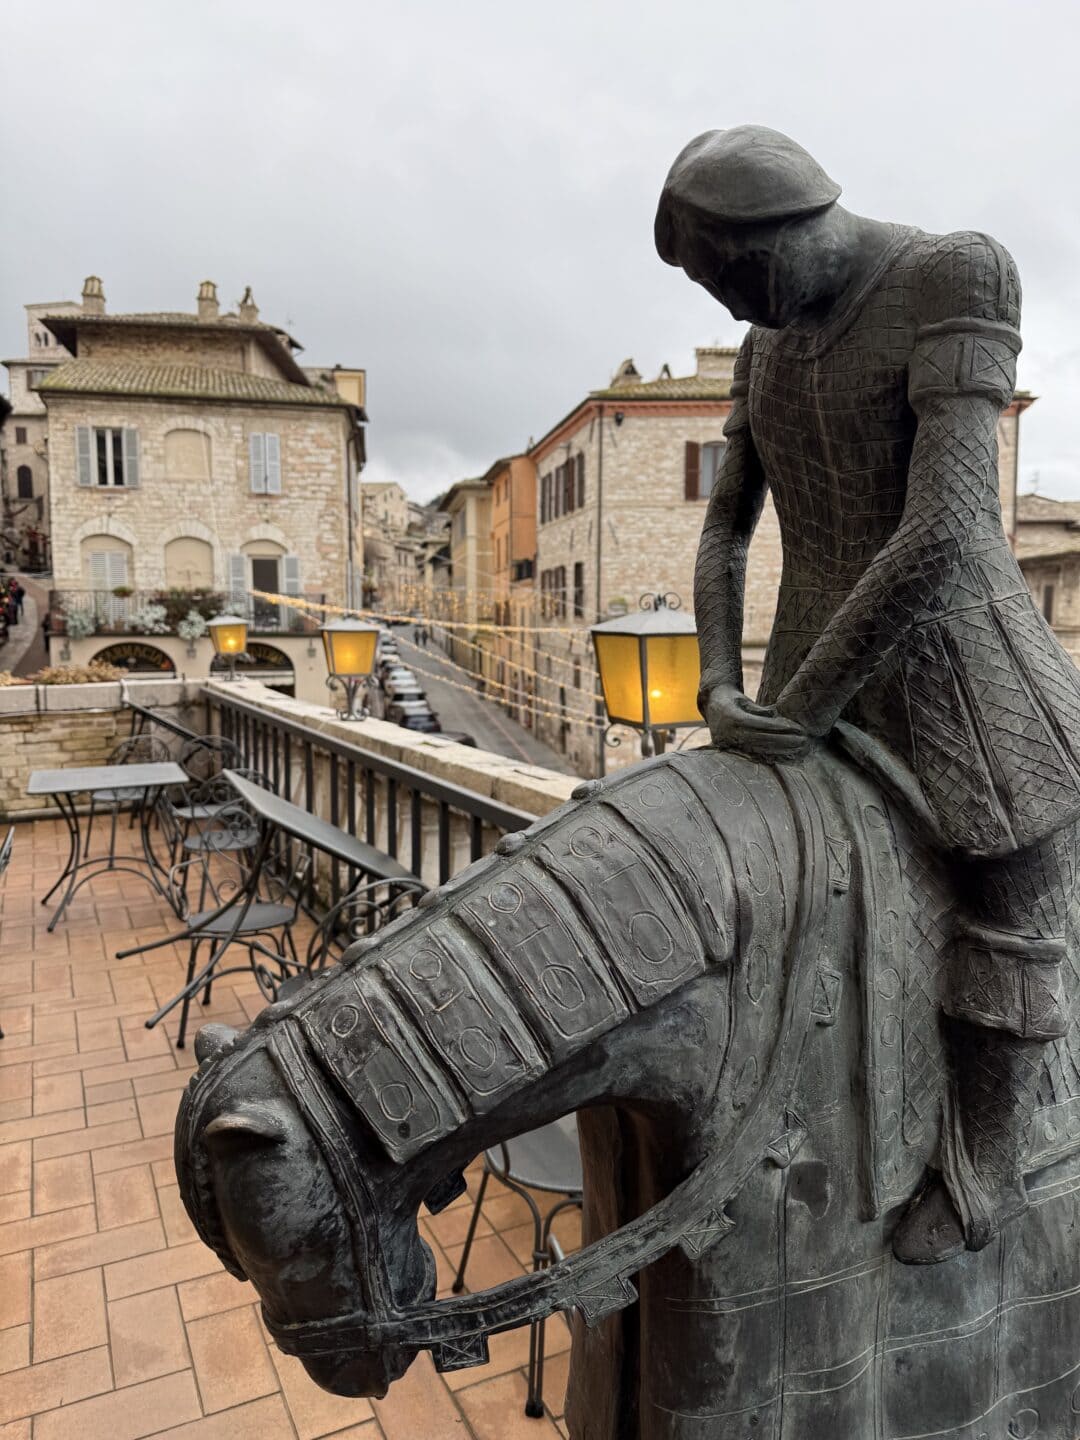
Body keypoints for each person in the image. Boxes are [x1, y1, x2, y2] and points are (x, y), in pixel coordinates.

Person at [656, 125, 1080, 1265]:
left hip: (965, 675)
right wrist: (715, 680)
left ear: (783, 226)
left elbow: (945, 526)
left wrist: (804, 702)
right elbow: (724, 530)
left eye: (734, 274)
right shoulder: (766, 345)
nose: (736, 304)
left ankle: (983, 1170)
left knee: (1013, 905)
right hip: (807, 675)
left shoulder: (956, 274)